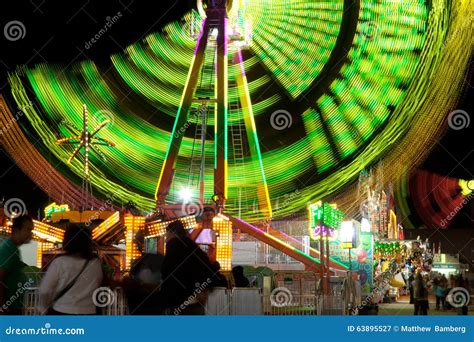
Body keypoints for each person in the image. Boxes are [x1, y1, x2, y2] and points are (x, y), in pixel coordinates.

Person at [38, 224, 103, 315]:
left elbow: (45, 290)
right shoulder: (95, 264)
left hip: (62, 310)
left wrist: (44, 307)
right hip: (88, 311)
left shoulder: (60, 263)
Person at [159, 220, 216, 315]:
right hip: (196, 301)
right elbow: (209, 268)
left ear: (173, 233)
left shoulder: (173, 245)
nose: (166, 238)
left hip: (177, 299)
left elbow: (166, 270)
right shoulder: (193, 247)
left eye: (167, 234)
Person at [0, 215, 34, 315]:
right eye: (28, 230)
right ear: (16, 230)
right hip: (9, 310)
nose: (30, 234)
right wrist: (3, 307)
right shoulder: (8, 250)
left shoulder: (13, 249)